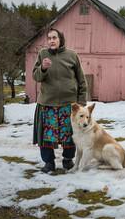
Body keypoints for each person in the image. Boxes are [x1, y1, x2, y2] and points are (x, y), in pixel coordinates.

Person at [32, 28, 87, 173]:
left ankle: (68, 160)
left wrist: (81, 103)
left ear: (60, 39)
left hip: (69, 105)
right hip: (47, 104)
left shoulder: (72, 55)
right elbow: (36, 77)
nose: (51, 40)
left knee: (69, 135)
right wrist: (42, 68)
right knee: (46, 136)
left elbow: (81, 80)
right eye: (49, 38)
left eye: (54, 37)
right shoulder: (42, 54)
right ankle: (49, 163)